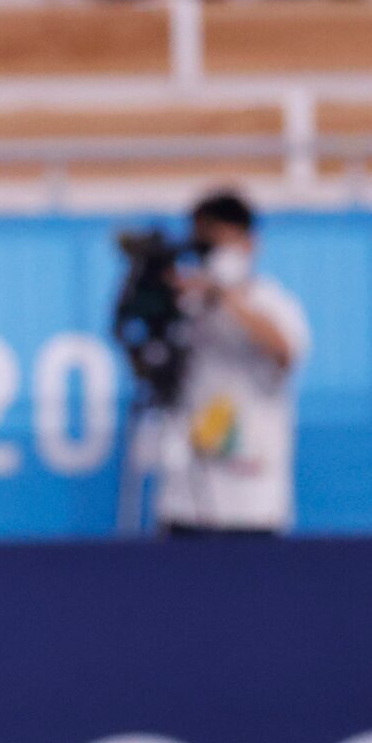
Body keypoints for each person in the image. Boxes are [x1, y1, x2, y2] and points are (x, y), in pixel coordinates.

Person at [154, 190, 310, 536]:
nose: (212, 256)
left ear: (250, 244)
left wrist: (223, 293)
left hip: (253, 503)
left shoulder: (273, 302)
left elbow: (284, 350)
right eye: (203, 246)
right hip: (186, 501)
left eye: (220, 244)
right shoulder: (186, 309)